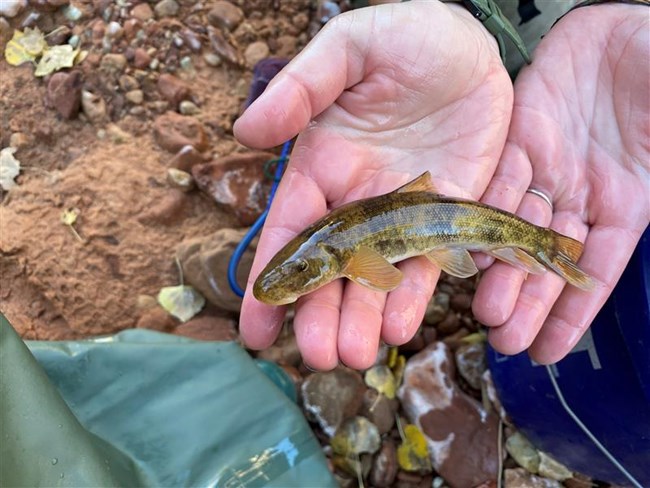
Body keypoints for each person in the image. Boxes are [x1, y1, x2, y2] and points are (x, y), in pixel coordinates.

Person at [233, 0, 649, 371]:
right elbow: (387, 278)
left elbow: (386, 278)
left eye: (299, 269)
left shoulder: (342, 254)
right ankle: (542, 243)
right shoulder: (334, 250)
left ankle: (543, 243)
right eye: (295, 268)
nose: (292, 278)